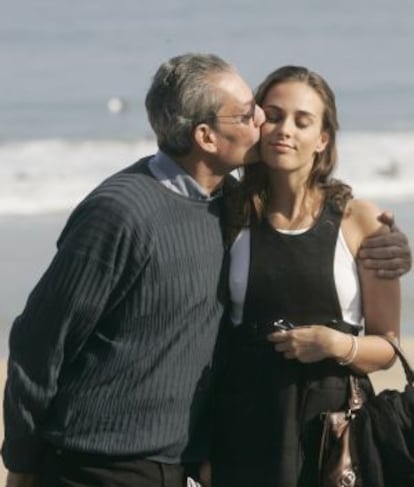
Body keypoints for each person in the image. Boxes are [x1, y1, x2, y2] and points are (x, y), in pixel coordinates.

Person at [1, 54, 410, 487]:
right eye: (258, 113)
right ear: (207, 137)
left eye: (297, 119)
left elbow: (383, 338)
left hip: (254, 452)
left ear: (324, 138)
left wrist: (391, 255)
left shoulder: (231, 206)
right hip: (118, 461)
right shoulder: (147, 213)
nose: (270, 127)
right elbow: (41, 339)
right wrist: (22, 461)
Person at [211, 65, 404, 487]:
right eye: (274, 115)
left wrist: (335, 344)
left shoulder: (362, 221)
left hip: (335, 438)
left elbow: (387, 347)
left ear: (323, 139)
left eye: (303, 121)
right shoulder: (229, 214)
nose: (285, 130)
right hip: (245, 427)